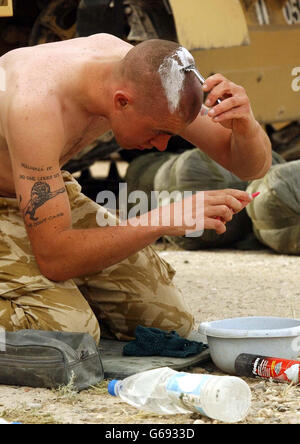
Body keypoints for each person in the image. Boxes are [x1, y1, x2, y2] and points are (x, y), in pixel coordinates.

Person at [0, 34, 272, 344]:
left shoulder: (151, 82)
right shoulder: (35, 105)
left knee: (168, 323)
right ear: (121, 101)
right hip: (17, 203)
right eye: (159, 132)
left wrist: (246, 124)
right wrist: (162, 220)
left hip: (39, 194)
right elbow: (55, 257)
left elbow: (251, 167)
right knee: (70, 333)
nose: (161, 145)